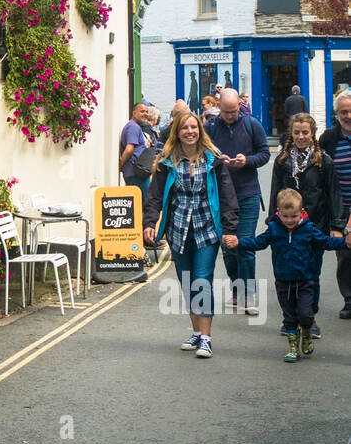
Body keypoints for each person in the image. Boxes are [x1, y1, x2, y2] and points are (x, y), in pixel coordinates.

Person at [143, 111, 238, 359]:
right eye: (184, 128)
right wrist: (150, 222)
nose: (189, 132)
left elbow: (227, 195)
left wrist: (230, 228)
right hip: (178, 230)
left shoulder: (213, 160)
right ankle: (196, 331)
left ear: (200, 130)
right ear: (177, 132)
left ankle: (206, 338)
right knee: (187, 283)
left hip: (206, 228)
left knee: (202, 279)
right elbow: (154, 195)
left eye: (193, 127)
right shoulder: (167, 161)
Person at [225, 191, 351, 362]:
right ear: (278, 212)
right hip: (283, 281)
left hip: (306, 280)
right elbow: (258, 242)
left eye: (294, 216)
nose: (290, 220)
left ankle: (306, 333)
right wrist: (239, 242)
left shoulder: (308, 229)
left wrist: (344, 242)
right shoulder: (274, 229)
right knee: (289, 316)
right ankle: (293, 348)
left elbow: (326, 242)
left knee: (306, 315)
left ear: (302, 212)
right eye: (285, 216)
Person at [269, 113, 345, 338]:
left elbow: (333, 193)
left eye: (305, 132)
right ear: (291, 134)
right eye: (297, 132)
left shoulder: (324, 161)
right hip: (286, 228)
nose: (301, 136)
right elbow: (275, 193)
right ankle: (289, 319)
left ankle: (309, 319)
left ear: (313, 134)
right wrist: (273, 222)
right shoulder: (282, 161)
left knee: (311, 275)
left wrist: (337, 225)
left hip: (314, 227)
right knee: (286, 274)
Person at [205, 88, 270, 315]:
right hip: (222, 197)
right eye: (226, 112)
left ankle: (248, 295)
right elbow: (202, 155)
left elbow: (264, 154)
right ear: (219, 107)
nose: (230, 116)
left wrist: (247, 161)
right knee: (228, 247)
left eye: (234, 111)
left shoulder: (252, 125)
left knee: (245, 245)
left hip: (248, 194)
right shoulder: (210, 127)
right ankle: (236, 290)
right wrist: (216, 160)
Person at [318, 90, 351, 319]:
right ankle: (349, 299)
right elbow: (320, 172)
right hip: (340, 208)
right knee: (345, 257)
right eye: (343, 112)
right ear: (336, 114)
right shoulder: (329, 138)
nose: (348, 115)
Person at [119, 101, 153, 201]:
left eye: (147, 112)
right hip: (136, 174)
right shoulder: (133, 127)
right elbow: (129, 149)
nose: (145, 114)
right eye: (142, 111)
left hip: (137, 173)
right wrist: (121, 164)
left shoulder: (135, 127)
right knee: (145, 204)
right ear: (134, 113)